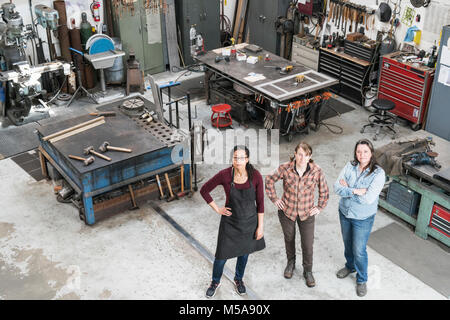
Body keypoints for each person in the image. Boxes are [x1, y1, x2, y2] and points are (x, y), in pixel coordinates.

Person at [200, 145, 265, 298]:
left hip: (249, 223)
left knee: (243, 255)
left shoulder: (256, 176)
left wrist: (260, 227)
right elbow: (204, 190)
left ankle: (239, 279)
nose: (238, 161)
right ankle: (215, 282)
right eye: (235, 157)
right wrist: (217, 209)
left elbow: (261, 203)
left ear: (247, 159)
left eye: (242, 158)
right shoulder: (225, 175)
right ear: (232, 159)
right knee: (221, 256)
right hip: (230, 223)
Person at [265, 142, 329, 287]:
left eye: (305, 155)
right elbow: (269, 180)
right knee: (289, 238)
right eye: (299, 154)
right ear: (295, 154)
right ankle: (291, 263)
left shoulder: (316, 171)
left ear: (309, 156)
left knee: (307, 244)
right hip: (287, 211)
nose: (302, 158)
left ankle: (308, 271)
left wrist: (319, 207)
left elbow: (324, 190)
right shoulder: (285, 168)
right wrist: (275, 199)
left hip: (307, 213)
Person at [333, 139, 386, 297]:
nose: (361, 155)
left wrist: (347, 189)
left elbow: (368, 199)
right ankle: (350, 266)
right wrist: (356, 191)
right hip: (344, 212)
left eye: (365, 151)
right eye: (358, 151)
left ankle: (362, 279)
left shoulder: (378, 174)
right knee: (347, 243)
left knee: (359, 250)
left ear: (371, 153)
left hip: (363, 218)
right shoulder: (350, 166)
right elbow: (337, 187)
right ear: (355, 153)